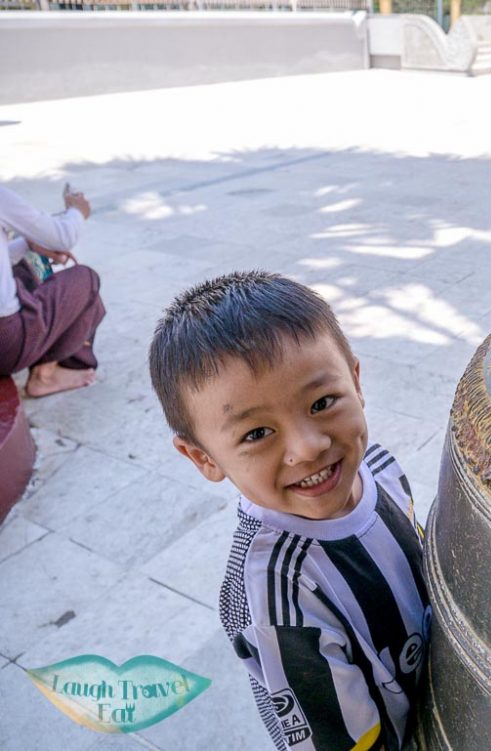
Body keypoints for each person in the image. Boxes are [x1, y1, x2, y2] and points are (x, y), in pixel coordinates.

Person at [148, 271, 430, 751]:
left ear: (356, 382)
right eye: (257, 434)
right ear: (204, 458)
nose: (308, 447)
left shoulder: (380, 468)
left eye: (322, 402)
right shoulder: (279, 598)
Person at [0, 184, 105, 397]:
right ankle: (46, 375)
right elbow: (62, 236)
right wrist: (77, 210)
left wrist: (29, 245)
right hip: (6, 347)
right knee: (85, 279)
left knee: (28, 264)